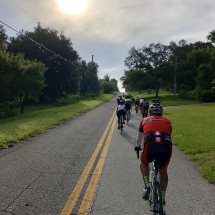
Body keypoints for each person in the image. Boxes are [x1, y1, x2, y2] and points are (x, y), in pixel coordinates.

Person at [135, 99, 172, 207]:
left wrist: (137, 147)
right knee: (163, 170)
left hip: (150, 145)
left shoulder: (145, 120)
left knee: (144, 161)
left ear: (150, 112)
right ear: (161, 112)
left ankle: (147, 186)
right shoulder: (167, 121)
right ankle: (162, 197)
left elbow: (139, 138)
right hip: (166, 145)